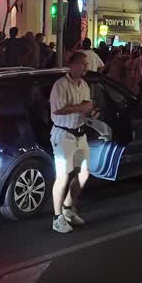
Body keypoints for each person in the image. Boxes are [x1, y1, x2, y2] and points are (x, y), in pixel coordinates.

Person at [50, 51, 94, 234]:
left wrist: (90, 113)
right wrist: (81, 108)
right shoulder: (60, 85)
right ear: (73, 65)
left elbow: (85, 109)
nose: (85, 67)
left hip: (80, 133)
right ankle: (56, 216)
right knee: (63, 176)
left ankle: (68, 207)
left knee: (83, 173)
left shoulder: (84, 85)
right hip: (63, 135)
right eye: (83, 64)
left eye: (86, 64)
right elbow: (57, 110)